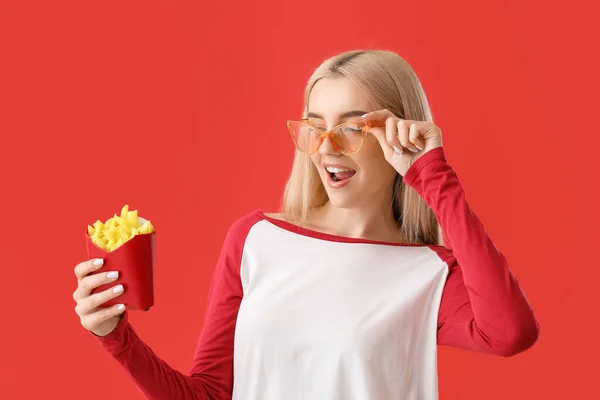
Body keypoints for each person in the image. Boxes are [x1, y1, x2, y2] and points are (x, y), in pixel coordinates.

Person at [72, 49, 539, 400]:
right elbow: (210, 394)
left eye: (354, 127)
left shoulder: (429, 272)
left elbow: (510, 332)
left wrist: (432, 175)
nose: (327, 146)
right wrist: (116, 337)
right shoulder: (255, 239)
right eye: (316, 125)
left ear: (401, 136)